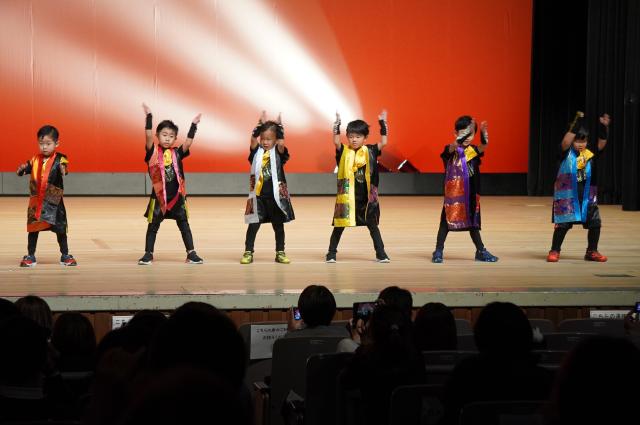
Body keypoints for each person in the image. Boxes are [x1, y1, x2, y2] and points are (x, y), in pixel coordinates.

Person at [138, 103, 203, 265]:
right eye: (164, 134)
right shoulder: (152, 152)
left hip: (177, 198)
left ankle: (191, 253)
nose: (167, 138)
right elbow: (147, 137)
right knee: (152, 226)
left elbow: (188, 143)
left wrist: (193, 126)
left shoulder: (177, 153)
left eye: (171, 136)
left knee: (184, 225)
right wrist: (149, 117)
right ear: (158, 136)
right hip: (158, 198)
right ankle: (148, 254)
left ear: (175, 138)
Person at [326, 111, 390, 263]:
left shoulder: (370, 151)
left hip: (366, 199)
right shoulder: (344, 151)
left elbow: (384, 142)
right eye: (351, 136)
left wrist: (382, 124)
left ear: (365, 138)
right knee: (339, 226)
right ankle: (331, 253)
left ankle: (381, 254)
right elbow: (336, 142)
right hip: (347, 197)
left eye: (358, 136)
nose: (354, 139)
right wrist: (337, 124)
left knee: (373, 226)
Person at [432, 116, 498, 263]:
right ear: (456, 133)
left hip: (471, 194)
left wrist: (483, 134)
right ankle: (438, 250)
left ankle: (480, 251)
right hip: (454, 197)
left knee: (473, 223)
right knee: (445, 223)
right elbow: (453, 146)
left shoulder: (473, 150)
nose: (468, 137)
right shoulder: (451, 150)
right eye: (464, 133)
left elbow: (483, 146)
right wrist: (464, 135)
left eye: (471, 134)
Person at [547, 111, 611, 262]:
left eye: (584, 141)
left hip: (587, 196)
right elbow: (565, 142)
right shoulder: (565, 153)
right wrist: (576, 124)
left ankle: (592, 251)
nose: (580, 144)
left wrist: (604, 127)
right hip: (568, 196)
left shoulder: (589, 154)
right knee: (562, 225)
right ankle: (555, 250)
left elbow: (601, 144)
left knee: (595, 223)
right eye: (577, 141)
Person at [16, 125, 77, 267]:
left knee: (60, 229)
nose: (44, 147)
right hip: (37, 201)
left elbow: (64, 169)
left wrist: (63, 169)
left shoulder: (61, 158)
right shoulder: (34, 160)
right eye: (41, 143)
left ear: (56, 143)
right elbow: (24, 170)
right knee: (33, 230)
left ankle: (65, 255)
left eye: (48, 144)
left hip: (54, 202)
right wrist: (21, 170)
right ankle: (31, 256)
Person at [241, 112, 295, 264]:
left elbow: (282, 143)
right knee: (253, 226)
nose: (265, 142)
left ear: (275, 140)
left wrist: (280, 127)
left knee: (278, 226)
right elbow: (253, 139)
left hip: (275, 198)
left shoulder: (278, 152)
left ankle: (280, 252)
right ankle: (248, 252)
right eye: (263, 139)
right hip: (258, 197)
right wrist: (259, 125)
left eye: (269, 139)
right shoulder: (256, 151)